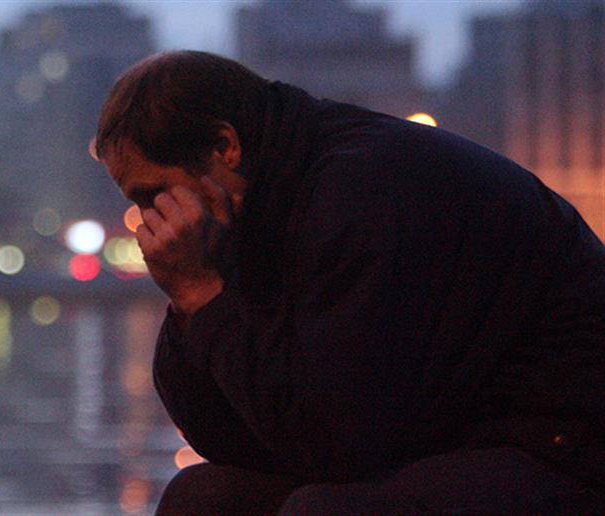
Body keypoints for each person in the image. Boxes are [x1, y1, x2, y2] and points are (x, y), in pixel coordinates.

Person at [92, 50, 605, 514]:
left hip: (563, 447)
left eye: (153, 195)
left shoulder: (359, 193)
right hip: (456, 436)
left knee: (323, 510)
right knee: (202, 497)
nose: (150, 221)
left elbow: (336, 444)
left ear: (224, 146)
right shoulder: (263, 199)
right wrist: (191, 303)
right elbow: (228, 439)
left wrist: (202, 293)